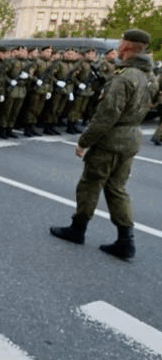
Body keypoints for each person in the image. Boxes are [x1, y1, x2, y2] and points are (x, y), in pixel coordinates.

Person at [50, 29, 159, 260]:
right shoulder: (149, 77)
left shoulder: (124, 77)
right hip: (131, 138)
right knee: (117, 189)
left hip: (111, 140)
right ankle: (125, 240)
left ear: (128, 47)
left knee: (90, 184)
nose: (118, 48)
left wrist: (84, 141)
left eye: (121, 43)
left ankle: (77, 230)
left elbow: (106, 116)